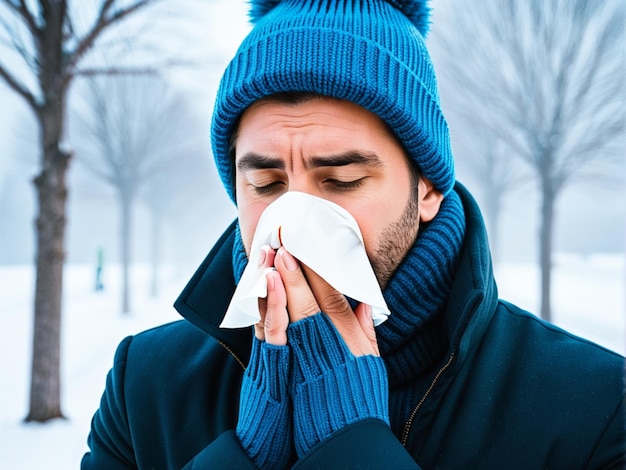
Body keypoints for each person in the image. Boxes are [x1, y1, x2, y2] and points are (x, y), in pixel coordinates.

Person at [81, 1, 625, 468]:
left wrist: (352, 448)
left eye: (341, 180)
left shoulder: (594, 410)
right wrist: (243, 458)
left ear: (429, 187)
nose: (294, 222)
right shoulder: (144, 389)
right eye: (267, 183)